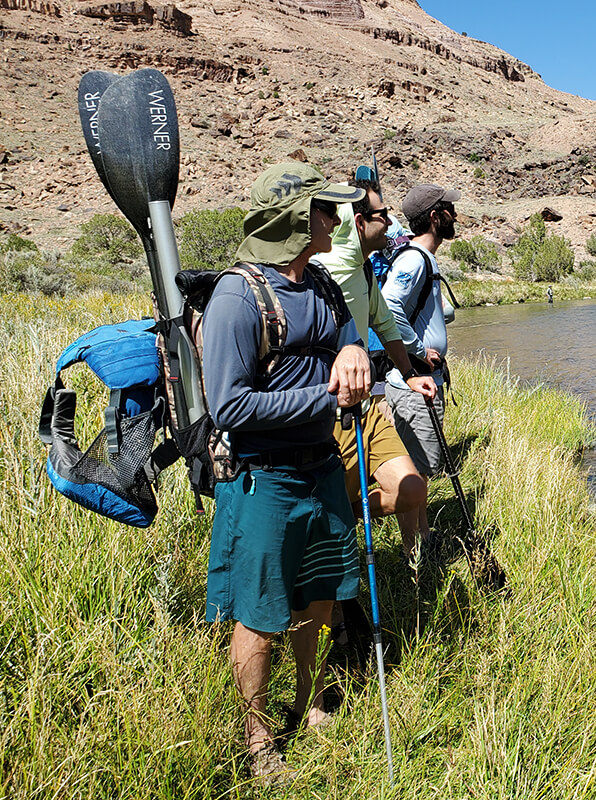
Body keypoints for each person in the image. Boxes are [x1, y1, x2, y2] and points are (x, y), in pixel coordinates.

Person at [201, 163, 372, 785]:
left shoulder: (324, 285)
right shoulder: (235, 297)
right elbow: (229, 405)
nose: (339, 219)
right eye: (328, 209)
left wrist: (353, 349)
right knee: (261, 611)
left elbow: (354, 342)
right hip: (263, 479)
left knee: (319, 595)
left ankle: (307, 706)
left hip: (323, 470)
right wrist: (328, 401)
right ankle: (257, 738)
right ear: (298, 219)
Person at [316, 171, 437, 557]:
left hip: (364, 408)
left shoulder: (365, 269)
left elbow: (385, 325)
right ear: (359, 222)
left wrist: (410, 374)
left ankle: (347, 513)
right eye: (383, 214)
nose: (391, 222)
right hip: (326, 411)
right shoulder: (324, 269)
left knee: (411, 488)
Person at [380, 183, 461, 536]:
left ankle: (421, 539)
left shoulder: (420, 257)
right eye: (449, 209)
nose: (455, 215)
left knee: (420, 468)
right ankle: (417, 546)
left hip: (420, 384)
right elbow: (388, 304)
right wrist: (415, 349)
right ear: (434, 217)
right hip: (416, 387)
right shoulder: (414, 258)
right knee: (417, 469)